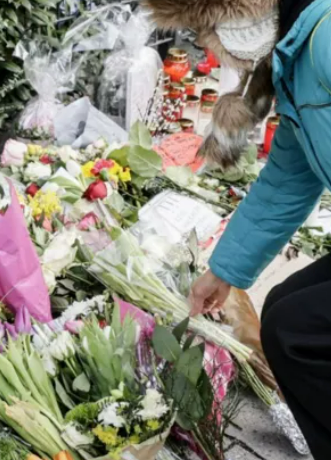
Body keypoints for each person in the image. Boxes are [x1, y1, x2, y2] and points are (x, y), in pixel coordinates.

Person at [144, 0, 331, 458]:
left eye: (206, 34)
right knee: (283, 307)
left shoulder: (326, 38)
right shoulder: (297, 59)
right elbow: (286, 182)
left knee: (297, 331)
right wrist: (222, 271)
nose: (209, 50)